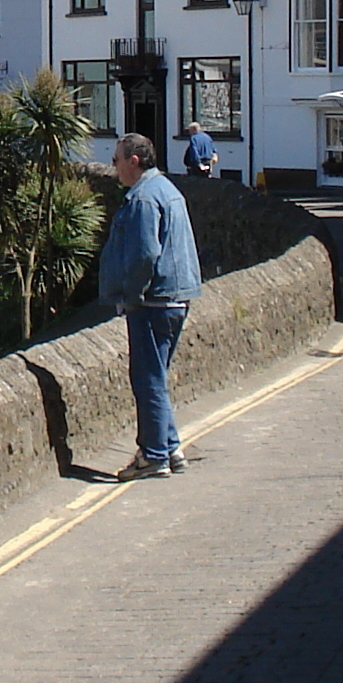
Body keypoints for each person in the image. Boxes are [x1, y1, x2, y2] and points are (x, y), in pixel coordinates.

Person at [100, 132, 205, 478]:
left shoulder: (144, 198)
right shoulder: (167, 190)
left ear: (133, 161)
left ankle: (154, 455)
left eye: (116, 160)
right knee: (155, 376)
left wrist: (132, 294)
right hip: (176, 297)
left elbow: (145, 253)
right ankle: (171, 448)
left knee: (147, 379)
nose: (113, 167)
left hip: (154, 301)